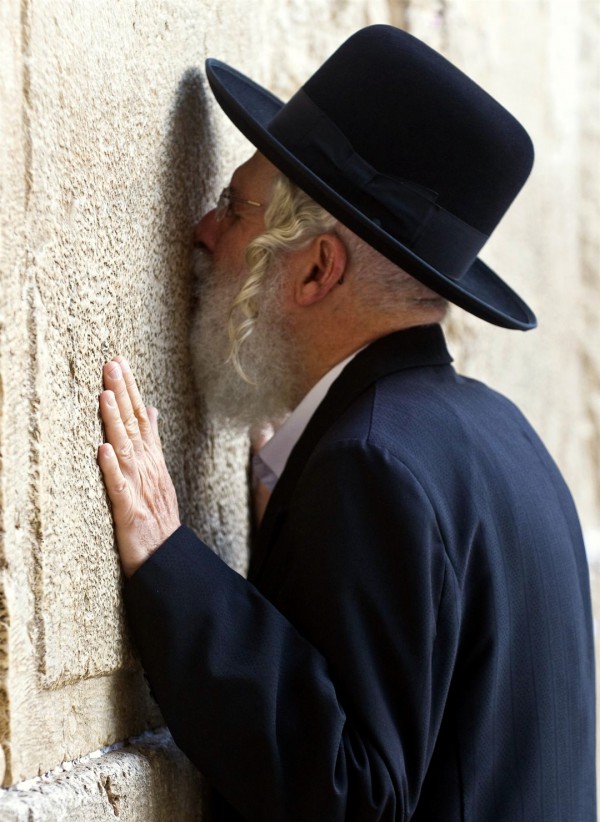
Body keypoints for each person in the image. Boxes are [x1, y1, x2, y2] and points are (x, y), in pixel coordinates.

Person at [97, 26, 596, 821]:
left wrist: (172, 566)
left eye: (233, 207)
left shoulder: (372, 465)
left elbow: (350, 794)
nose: (203, 231)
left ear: (318, 268)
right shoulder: (505, 437)